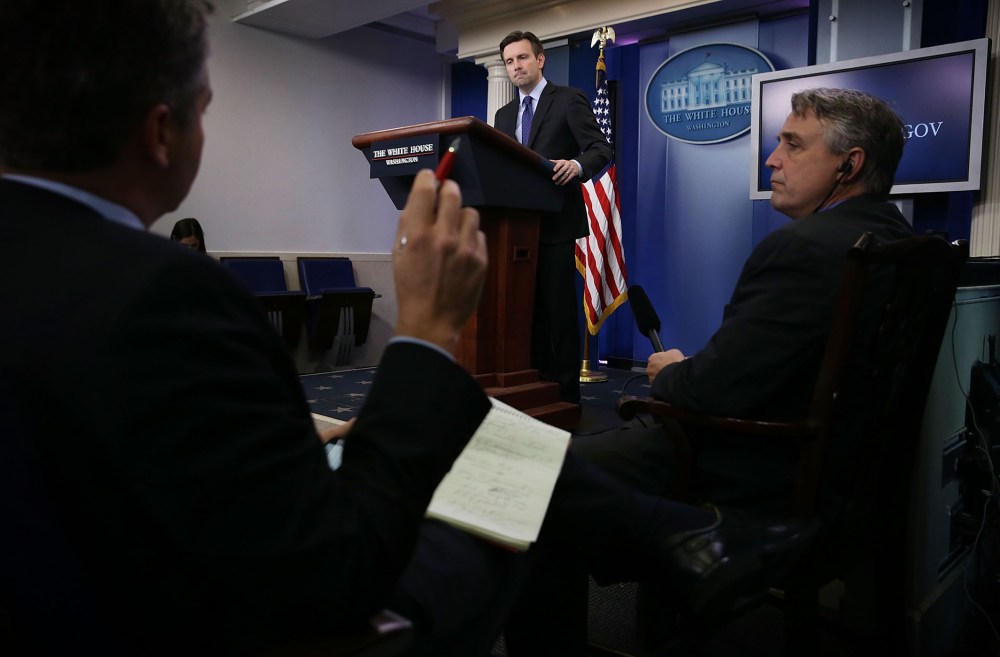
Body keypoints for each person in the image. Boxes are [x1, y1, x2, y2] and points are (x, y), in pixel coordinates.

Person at [0, 3, 810, 656]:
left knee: (485, 425)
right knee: (502, 472)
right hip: (255, 616)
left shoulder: (78, 281)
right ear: (161, 131)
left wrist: (310, 422)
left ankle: (683, 535)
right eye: (207, 110)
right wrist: (422, 335)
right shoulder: (171, 295)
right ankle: (676, 545)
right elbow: (336, 574)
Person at [503, 87, 916, 655]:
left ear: (850, 163)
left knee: (531, 479)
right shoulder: (898, 239)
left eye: (792, 145)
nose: (772, 159)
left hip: (747, 466)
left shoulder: (805, 248)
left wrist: (670, 372)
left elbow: (705, 393)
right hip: (845, 473)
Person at [494, 30, 613, 403]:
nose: (516, 67)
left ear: (540, 59)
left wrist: (577, 165)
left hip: (556, 226)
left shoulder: (567, 100)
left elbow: (601, 148)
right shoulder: (503, 114)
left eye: (523, 58)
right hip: (515, 232)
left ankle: (563, 398)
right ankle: (532, 389)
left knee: (557, 314)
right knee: (525, 317)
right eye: (510, 61)